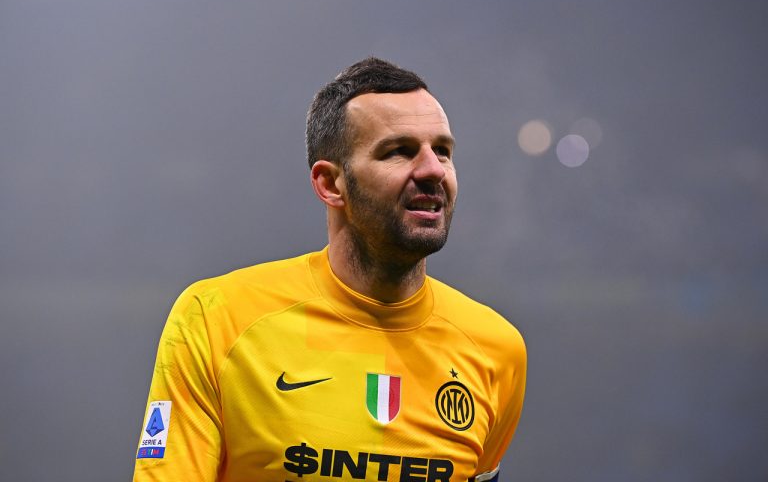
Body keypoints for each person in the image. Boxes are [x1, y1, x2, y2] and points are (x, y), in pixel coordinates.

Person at [133, 57, 526, 482]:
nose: (433, 169)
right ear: (330, 183)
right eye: (399, 151)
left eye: (443, 151)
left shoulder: (495, 348)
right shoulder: (217, 319)